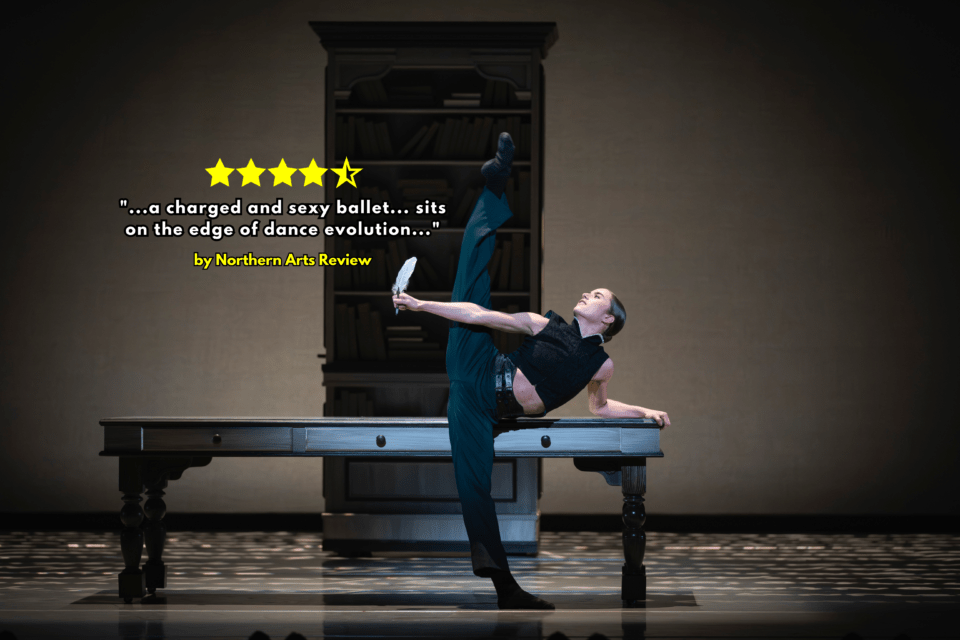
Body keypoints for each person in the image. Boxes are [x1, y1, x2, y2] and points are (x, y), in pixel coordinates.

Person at [392, 133, 670, 610]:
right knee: (474, 288)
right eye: (591, 290)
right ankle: (494, 188)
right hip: (476, 367)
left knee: (474, 484)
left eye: (599, 295)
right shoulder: (547, 323)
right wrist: (420, 305)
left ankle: (505, 588)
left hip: (483, 410)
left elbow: (600, 408)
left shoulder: (601, 363)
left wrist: (644, 410)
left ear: (608, 321)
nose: (589, 293)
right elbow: (480, 318)